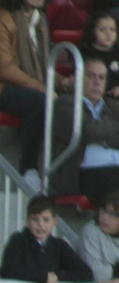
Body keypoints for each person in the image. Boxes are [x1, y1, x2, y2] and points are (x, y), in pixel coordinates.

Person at [0, 0, 62, 176]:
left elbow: (44, 66)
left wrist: (65, 82)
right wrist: (43, 88)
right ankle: (29, 168)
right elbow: (3, 69)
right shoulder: (2, 18)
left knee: (70, 101)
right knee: (39, 101)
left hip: (22, 85)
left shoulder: (40, 20)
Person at [0, 194, 94, 283]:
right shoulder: (17, 240)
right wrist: (44, 277)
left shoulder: (59, 246)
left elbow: (85, 273)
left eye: (46, 219)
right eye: (35, 219)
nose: (41, 225)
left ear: (55, 221)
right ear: (27, 221)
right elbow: (9, 271)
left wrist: (56, 277)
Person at [51, 63, 119, 205]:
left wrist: (101, 136)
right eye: (90, 76)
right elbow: (87, 131)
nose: (97, 82)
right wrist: (107, 135)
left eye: (101, 78)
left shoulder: (112, 105)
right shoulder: (64, 104)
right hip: (84, 172)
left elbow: (94, 131)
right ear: (78, 79)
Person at [73, 188, 119, 283]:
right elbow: (94, 273)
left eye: (112, 214)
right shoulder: (90, 231)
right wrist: (116, 271)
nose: (104, 217)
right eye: (103, 211)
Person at [79, 9, 119, 95]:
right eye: (102, 30)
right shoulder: (84, 52)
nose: (108, 34)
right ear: (92, 32)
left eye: (112, 30)